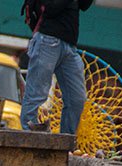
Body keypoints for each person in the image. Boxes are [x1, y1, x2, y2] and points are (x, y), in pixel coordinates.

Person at [20, 0, 93, 134]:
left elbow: (84, 5)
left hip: (69, 47)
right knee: (36, 93)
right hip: (47, 40)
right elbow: (50, 8)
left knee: (76, 98)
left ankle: (66, 140)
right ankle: (28, 134)